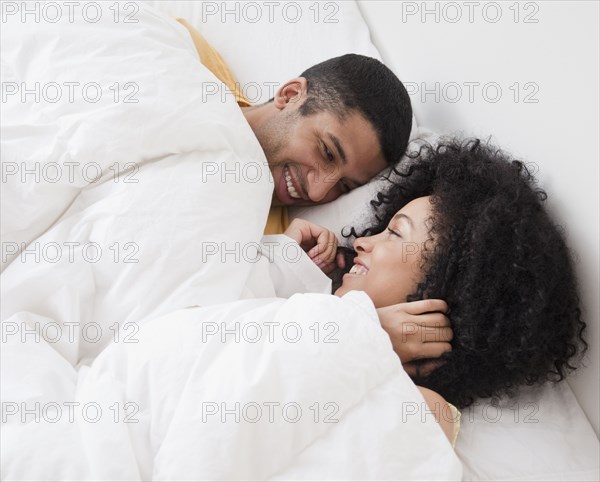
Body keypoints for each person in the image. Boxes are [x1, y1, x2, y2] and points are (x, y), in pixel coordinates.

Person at [284, 137, 588, 445]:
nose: (362, 242)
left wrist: (364, 337)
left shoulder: (425, 413)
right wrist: (278, 262)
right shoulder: (296, 295)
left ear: (444, 297)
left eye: (395, 233)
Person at [176, 18, 413, 234]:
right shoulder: (187, 58)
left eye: (344, 186)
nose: (316, 191)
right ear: (290, 95)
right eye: (328, 153)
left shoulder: (272, 243)